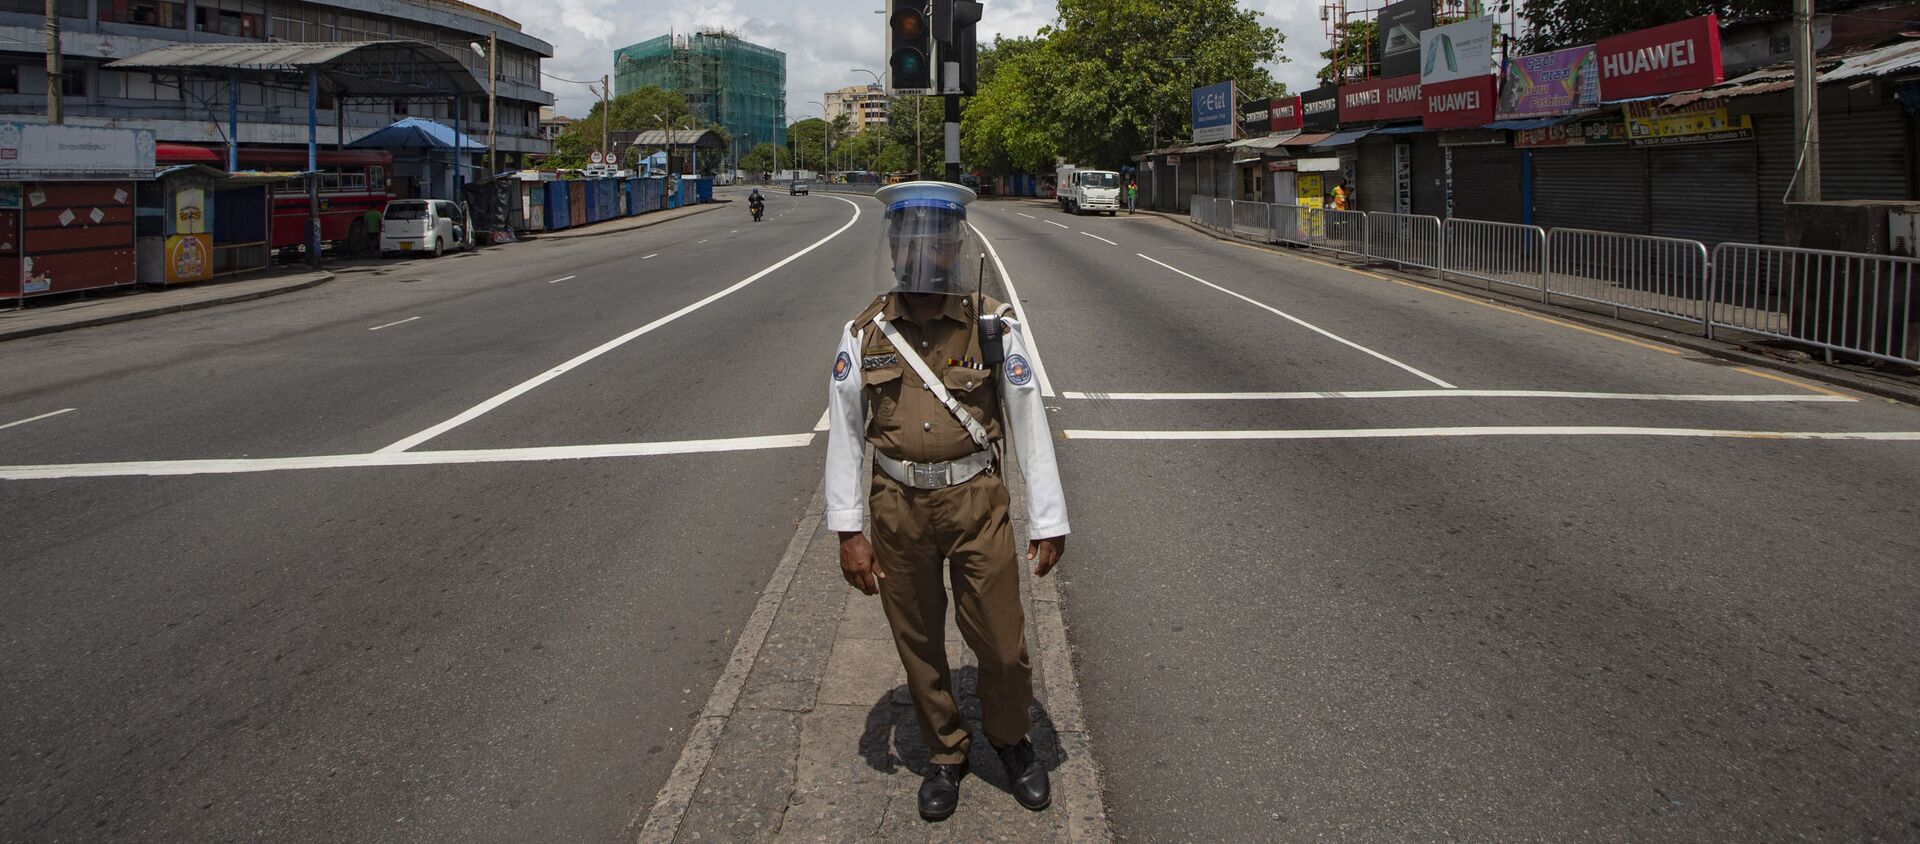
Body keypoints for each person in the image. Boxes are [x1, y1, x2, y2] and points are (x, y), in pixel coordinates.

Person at [823, 181, 1070, 822]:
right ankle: (945, 752)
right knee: (918, 641)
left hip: (976, 501)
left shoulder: (991, 327)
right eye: (909, 240)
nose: (924, 253)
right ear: (895, 249)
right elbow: (846, 433)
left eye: (937, 240)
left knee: (1004, 643)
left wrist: (1048, 519)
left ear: (955, 247)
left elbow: (1027, 419)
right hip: (897, 505)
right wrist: (849, 531)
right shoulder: (864, 334)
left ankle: (1011, 740)